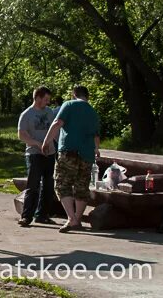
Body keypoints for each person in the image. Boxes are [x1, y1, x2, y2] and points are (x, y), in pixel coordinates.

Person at [42, 85, 100, 233]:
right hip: (87, 154)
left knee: (62, 183)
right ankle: (77, 220)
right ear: (87, 96)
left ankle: (71, 218)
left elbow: (57, 123)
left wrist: (46, 141)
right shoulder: (93, 111)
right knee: (82, 187)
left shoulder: (69, 104)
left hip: (69, 152)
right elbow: (96, 136)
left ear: (74, 94)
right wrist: (97, 149)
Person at [17, 86, 57, 227]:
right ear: (38, 98)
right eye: (45, 99)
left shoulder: (50, 112)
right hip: (34, 154)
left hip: (50, 153)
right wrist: (37, 144)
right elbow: (22, 135)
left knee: (48, 186)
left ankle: (42, 215)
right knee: (33, 186)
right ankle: (26, 216)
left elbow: (55, 130)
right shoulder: (27, 114)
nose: (47, 102)